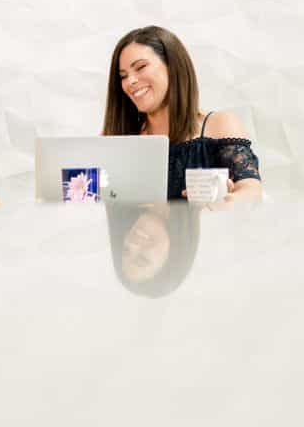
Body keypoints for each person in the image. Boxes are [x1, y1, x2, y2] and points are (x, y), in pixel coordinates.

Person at [102, 26, 263, 202]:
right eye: (123, 76)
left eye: (140, 67)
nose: (130, 81)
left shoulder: (219, 125)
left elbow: (250, 190)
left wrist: (229, 202)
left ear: (172, 66)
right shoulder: (116, 138)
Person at [106, 202, 201, 299]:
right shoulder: (208, 195)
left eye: (126, 250)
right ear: (172, 259)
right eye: (142, 259)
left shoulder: (116, 194)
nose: (132, 244)